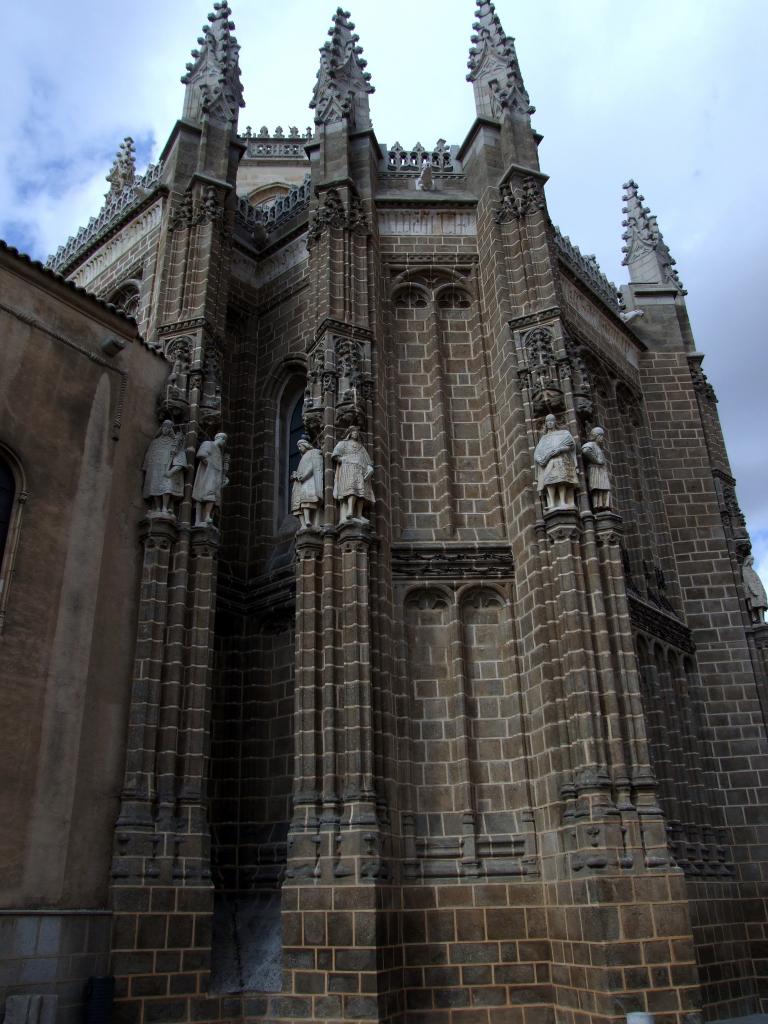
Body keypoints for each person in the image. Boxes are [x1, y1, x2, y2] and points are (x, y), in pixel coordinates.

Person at [533, 414, 578, 511]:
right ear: (545, 424)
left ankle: (562, 502)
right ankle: (552, 503)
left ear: (555, 422)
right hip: (549, 461)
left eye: (551, 421)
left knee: (561, 480)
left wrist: (560, 449)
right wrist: (540, 458)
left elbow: (571, 445)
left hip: (560, 460)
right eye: (547, 421)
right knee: (549, 481)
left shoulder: (563, 433)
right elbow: (538, 452)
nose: (549, 423)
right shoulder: (544, 438)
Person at [142, 420, 187, 515]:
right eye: (164, 427)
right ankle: (157, 507)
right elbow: (149, 455)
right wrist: (147, 466)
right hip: (155, 468)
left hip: (166, 467)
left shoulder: (174, 442)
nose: (165, 429)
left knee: (166, 487)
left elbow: (179, 455)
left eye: (168, 427)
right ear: (161, 428)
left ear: (170, 429)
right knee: (154, 487)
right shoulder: (155, 442)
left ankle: (165, 507)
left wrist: (172, 470)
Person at [332, 427, 374, 523]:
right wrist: (342, 460)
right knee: (352, 489)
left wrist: (370, 468)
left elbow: (369, 462)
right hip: (349, 469)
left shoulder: (361, 448)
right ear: (349, 434)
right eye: (354, 432)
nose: (356, 434)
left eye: (357, 432)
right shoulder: (343, 444)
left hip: (360, 471)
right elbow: (335, 454)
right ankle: (350, 510)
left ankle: (359, 515)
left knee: (361, 493)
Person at [193, 432, 228, 526]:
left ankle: (206, 517)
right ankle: (202, 518)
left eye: (225, 440)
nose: (224, 442)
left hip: (215, 476)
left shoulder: (219, 453)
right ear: (218, 437)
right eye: (223, 439)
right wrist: (209, 465)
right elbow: (201, 454)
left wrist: (223, 479)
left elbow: (219, 468)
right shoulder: (208, 443)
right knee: (205, 495)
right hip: (207, 475)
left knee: (213, 496)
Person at [291, 439, 323, 529]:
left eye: (300, 446)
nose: (299, 449)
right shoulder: (303, 457)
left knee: (311, 500)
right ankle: (305, 522)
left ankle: (313, 522)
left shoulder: (313, 453)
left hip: (310, 481)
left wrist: (304, 476)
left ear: (305, 445)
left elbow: (314, 466)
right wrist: (295, 475)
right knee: (301, 502)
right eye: (298, 447)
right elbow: (300, 471)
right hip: (300, 483)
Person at [581, 426, 611, 510]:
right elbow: (585, 450)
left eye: (602, 436)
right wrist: (596, 460)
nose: (602, 438)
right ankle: (598, 505)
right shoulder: (591, 444)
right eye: (600, 436)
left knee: (605, 487)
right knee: (598, 488)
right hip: (595, 470)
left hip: (601, 470)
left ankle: (605, 505)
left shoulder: (598, 447)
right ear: (595, 436)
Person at [742, 554, 768, 624]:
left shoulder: (752, 570)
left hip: (758, 589)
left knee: (761, 604)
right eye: (752, 560)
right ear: (748, 560)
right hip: (753, 591)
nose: (753, 561)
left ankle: (761, 620)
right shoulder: (745, 570)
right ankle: (759, 620)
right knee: (758, 605)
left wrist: (762, 590)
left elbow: (757, 580)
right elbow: (747, 581)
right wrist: (753, 590)